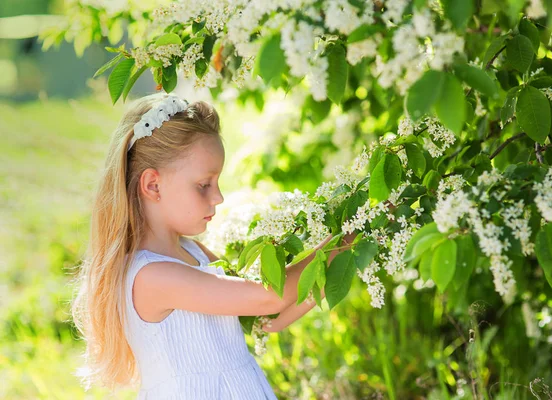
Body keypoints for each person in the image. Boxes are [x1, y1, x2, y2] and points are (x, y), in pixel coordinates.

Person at [70, 92, 356, 399]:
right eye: (203, 185)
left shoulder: (194, 252)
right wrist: (347, 235)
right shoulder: (150, 277)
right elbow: (269, 297)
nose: (218, 197)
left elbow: (267, 318)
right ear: (153, 185)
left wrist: (343, 256)